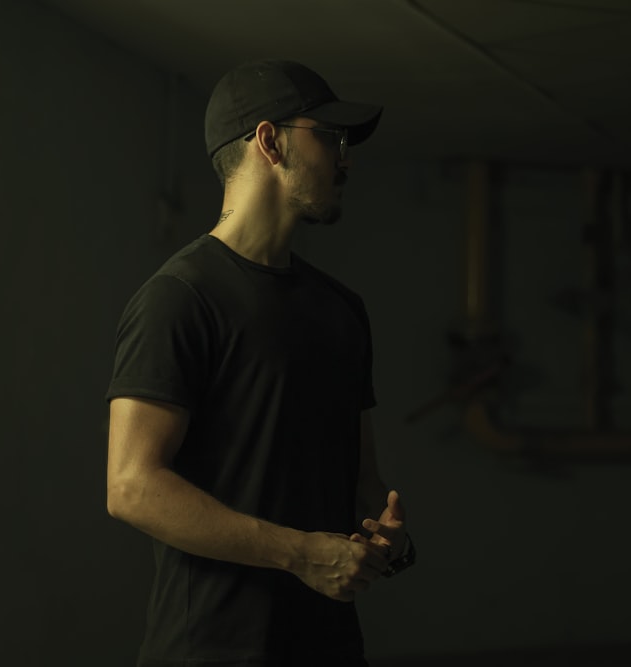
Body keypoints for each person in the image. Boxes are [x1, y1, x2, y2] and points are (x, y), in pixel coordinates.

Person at [106, 59, 415, 667]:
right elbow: (131, 487)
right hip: (210, 650)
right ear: (270, 142)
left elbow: (360, 479)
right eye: (329, 137)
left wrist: (383, 535)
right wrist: (301, 553)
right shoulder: (180, 297)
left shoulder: (342, 310)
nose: (344, 159)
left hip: (328, 646)